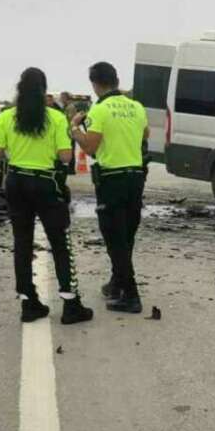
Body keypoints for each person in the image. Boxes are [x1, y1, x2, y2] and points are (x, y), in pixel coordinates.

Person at [0, 67, 93, 325]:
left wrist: (16, 150)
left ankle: (29, 302)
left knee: (22, 243)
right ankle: (70, 304)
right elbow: (66, 157)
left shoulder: (5, 118)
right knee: (60, 243)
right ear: (44, 90)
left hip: (16, 182)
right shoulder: (55, 118)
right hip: (46, 184)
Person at [70, 62, 148, 313]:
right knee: (126, 235)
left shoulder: (100, 109)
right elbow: (145, 134)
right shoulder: (136, 106)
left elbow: (90, 147)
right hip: (135, 177)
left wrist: (75, 129)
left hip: (112, 178)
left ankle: (131, 295)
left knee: (114, 238)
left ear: (95, 84)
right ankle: (117, 283)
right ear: (116, 80)